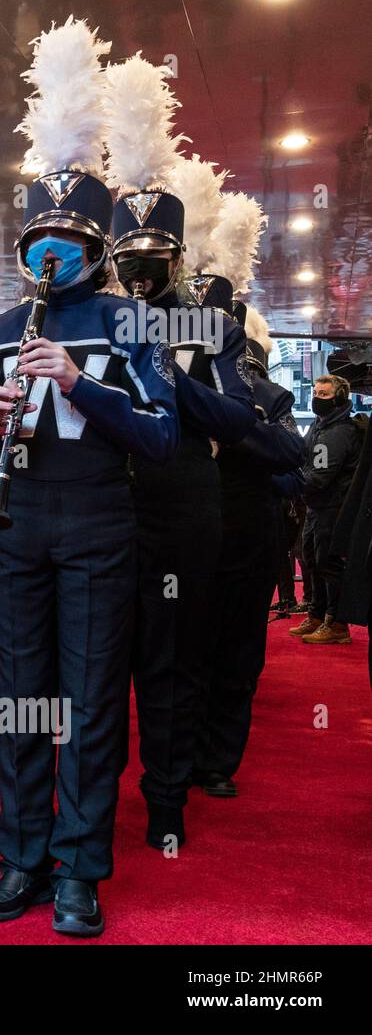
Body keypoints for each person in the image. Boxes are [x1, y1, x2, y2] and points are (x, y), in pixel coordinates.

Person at [0, 19, 178, 938]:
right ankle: (21, 857)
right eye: (38, 236)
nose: (50, 251)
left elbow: (163, 438)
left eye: (68, 237)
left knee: (89, 705)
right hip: (13, 526)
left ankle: (81, 867)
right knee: (21, 701)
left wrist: (82, 385)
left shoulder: (133, 325)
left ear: (95, 246)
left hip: (98, 523)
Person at [107, 89, 256, 848]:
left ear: (177, 257)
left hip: (183, 503)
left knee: (173, 658)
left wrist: (169, 377)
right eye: (125, 256)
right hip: (106, 504)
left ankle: (166, 797)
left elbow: (240, 419)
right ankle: (91, 803)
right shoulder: (96, 317)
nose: (137, 269)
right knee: (99, 662)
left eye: (152, 256)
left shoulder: (213, 325)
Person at [197, 309, 304, 797]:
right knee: (179, 651)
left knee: (238, 655)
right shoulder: (175, 383)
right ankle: (179, 752)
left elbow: (292, 459)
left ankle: (218, 759)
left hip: (247, 538)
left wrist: (235, 431)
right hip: (183, 536)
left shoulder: (269, 394)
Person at [292, 374, 360, 644]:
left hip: (333, 508)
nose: (317, 399)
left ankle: (337, 624)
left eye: (324, 394)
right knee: (311, 559)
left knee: (328, 564)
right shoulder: (319, 426)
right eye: (315, 393)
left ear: (339, 398)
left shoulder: (338, 432)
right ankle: (317, 615)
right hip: (316, 505)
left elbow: (319, 476)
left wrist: (290, 482)